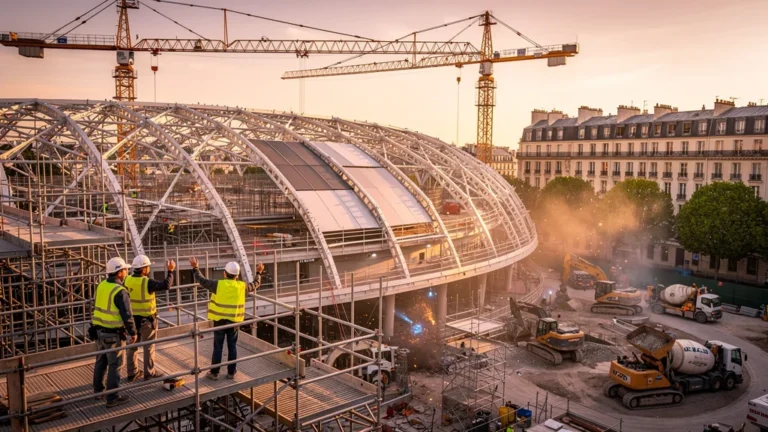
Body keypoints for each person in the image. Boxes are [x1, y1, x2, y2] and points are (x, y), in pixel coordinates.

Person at [189, 257, 261, 379]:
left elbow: (202, 281)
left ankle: (214, 373)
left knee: (218, 346)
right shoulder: (242, 286)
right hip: (233, 322)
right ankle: (231, 372)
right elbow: (255, 284)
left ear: (224, 273)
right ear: (237, 276)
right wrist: (259, 272)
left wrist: (195, 268)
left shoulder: (218, 285)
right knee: (232, 346)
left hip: (219, 321)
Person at [92, 257, 137, 408]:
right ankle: (112, 397)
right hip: (113, 334)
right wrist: (133, 332)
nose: (127, 272)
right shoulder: (120, 291)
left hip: (98, 331)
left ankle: (98, 391)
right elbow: (127, 315)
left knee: (101, 361)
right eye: (125, 270)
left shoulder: (101, 285)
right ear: (119, 273)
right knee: (115, 364)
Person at [125, 255, 176, 382]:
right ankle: (149, 373)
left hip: (131, 321)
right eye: (147, 267)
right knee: (149, 347)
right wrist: (170, 270)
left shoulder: (126, 280)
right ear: (143, 269)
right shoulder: (147, 282)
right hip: (147, 320)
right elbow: (166, 285)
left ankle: (132, 373)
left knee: (132, 347)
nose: (149, 269)